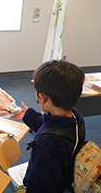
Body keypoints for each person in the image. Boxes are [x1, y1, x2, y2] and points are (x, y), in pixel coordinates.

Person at [12, 60, 86, 192]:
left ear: (41, 97)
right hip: (65, 176)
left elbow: (40, 185)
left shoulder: (47, 144)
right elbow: (48, 126)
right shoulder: (75, 116)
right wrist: (28, 115)